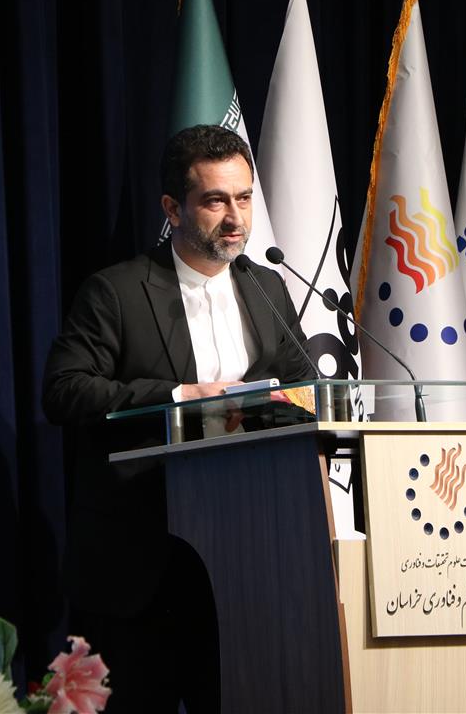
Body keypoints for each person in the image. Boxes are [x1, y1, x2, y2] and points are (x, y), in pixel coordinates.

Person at [42, 124, 315, 711]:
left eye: (244, 198)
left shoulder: (266, 287)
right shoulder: (116, 292)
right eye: (215, 201)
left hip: (252, 556)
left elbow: (304, 388)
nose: (235, 218)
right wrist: (180, 394)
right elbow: (64, 391)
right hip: (142, 564)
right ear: (173, 209)